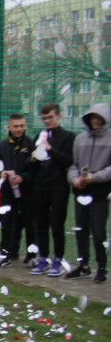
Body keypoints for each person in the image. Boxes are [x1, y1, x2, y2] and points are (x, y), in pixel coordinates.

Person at [65, 103, 111, 284]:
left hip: (100, 193)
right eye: (93, 117)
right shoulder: (80, 139)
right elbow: (73, 165)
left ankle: (101, 267)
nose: (96, 121)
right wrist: (75, 179)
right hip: (80, 192)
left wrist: (94, 177)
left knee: (98, 232)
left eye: (99, 118)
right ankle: (83, 266)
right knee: (81, 230)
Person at [29, 103, 76, 278]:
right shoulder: (39, 136)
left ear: (59, 116)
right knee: (40, 225)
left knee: (57, 225)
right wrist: (32, 158)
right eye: (44, 118)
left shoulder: (68, 137)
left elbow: (69, 160)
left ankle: (58, 260)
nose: (47, 121)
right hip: (39, 187)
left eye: (50, 117)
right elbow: (31, 164)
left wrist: (49, 148)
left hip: (58, 187)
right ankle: (43, 259)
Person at [0, 113, 36, 268]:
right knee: (7, 222)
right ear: (9, 127)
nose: (19, 129)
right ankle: (6, 254)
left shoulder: (30, 144)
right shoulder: (1, 146)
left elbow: (35, 169)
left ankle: (31, 255)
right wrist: (1, 173)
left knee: (29, 222)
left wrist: (23, 177)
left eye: (22, 126)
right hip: (7, 190)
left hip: (26, 190)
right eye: (16, 126)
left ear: (25, 126)